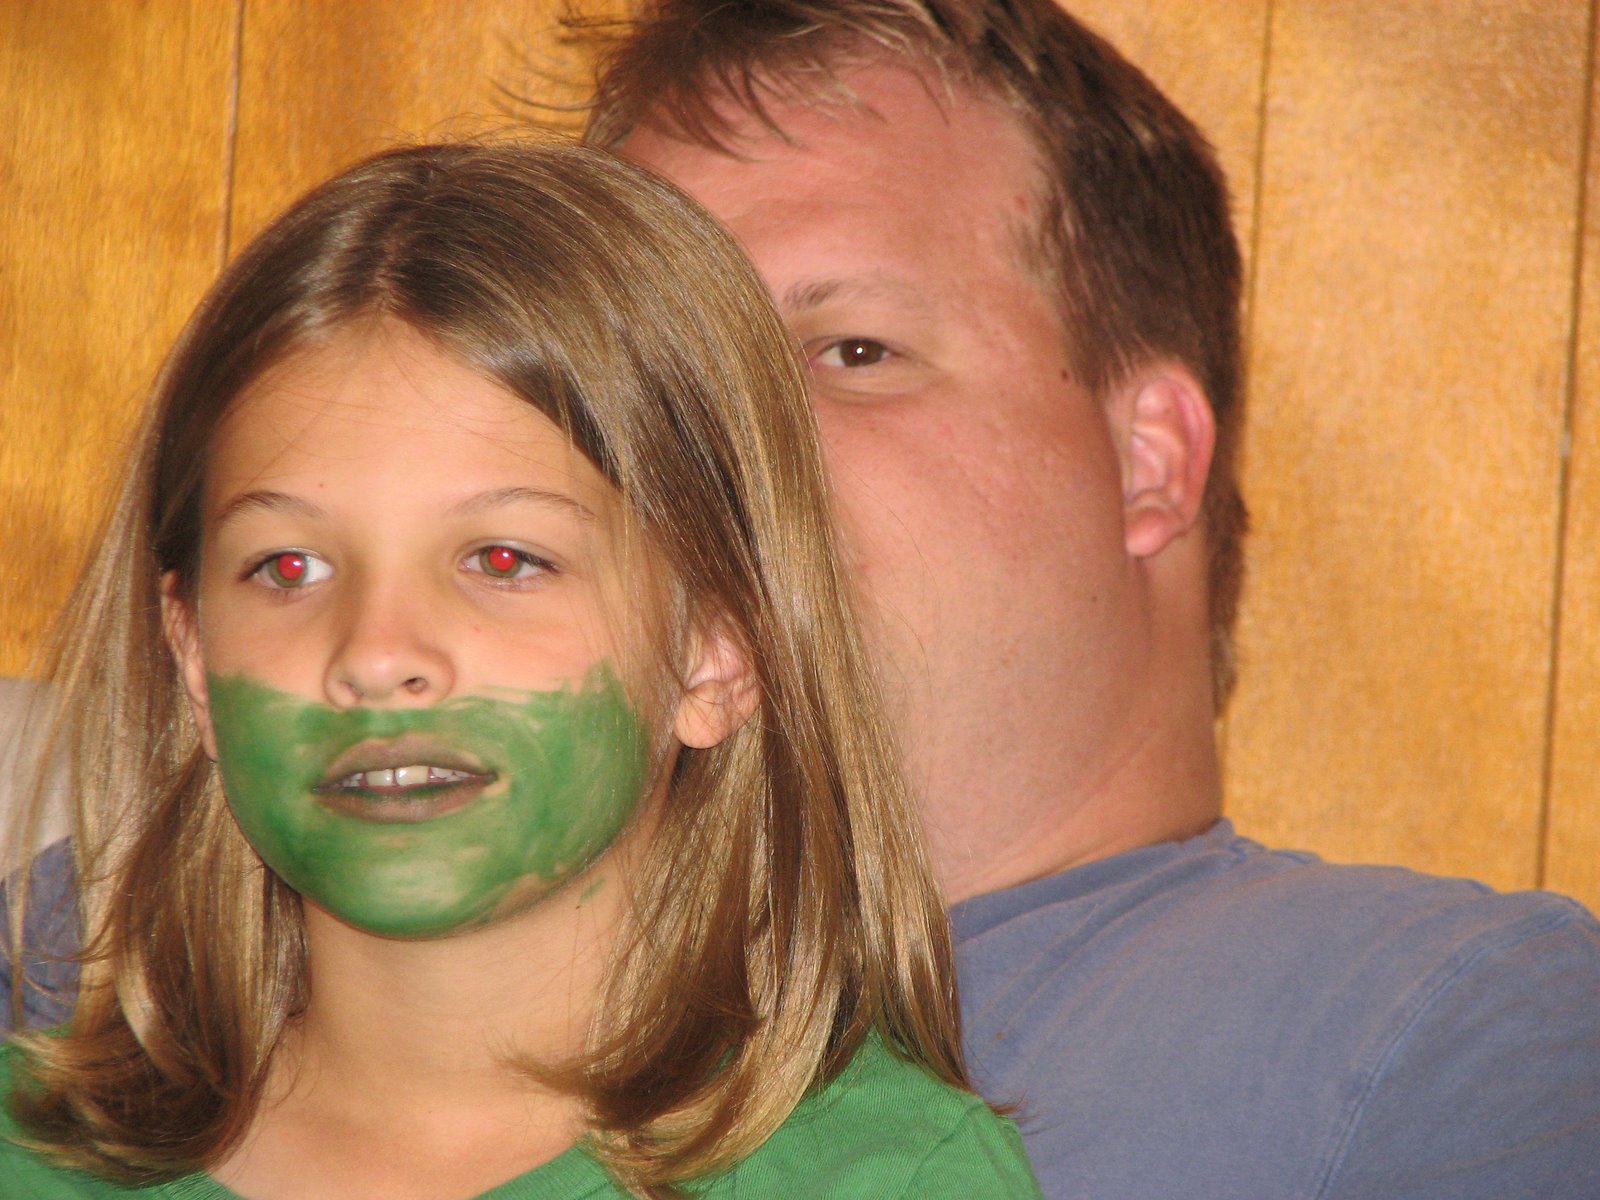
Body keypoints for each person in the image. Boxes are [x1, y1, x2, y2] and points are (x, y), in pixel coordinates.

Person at [565, 1, 1600, 1196]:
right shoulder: (468, 1054)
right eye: (663, 387)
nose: (709, 451)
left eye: (851, 352)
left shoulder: (1458, 1032)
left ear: (1147, 459)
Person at [0, 140, 1041, 1198]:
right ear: (192, 656)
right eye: (289, 567)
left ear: (715, 648)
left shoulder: (886, 1177)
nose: (376, 655)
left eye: (503, 560)